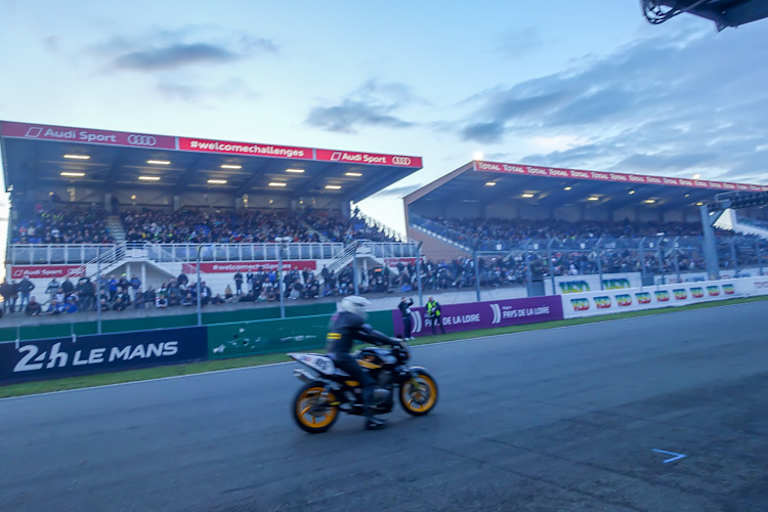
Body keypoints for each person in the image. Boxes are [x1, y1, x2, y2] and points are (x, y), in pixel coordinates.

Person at [326, 296, 400, 430]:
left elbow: (362, 336)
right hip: (342, 356)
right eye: (361, 307)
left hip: (332, 354)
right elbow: (371, 332)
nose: (363, 310)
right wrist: (392, 341)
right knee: (368, 382)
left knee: (361, 375)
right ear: (353, 307)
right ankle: (370, 420)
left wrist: (379, 342)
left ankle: (357, 400)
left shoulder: (340, 318)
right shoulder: (353, 318)